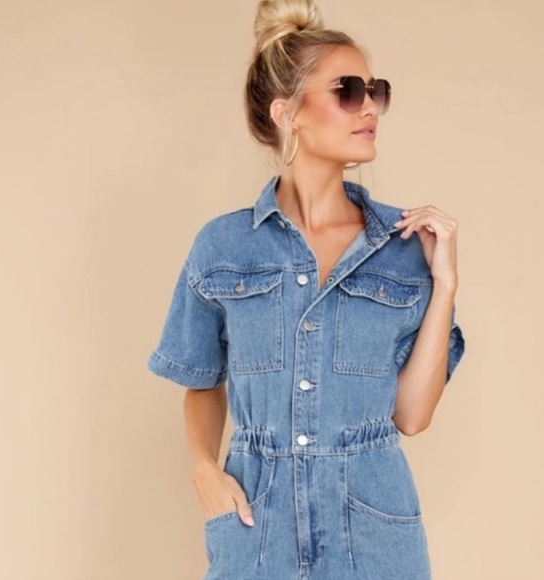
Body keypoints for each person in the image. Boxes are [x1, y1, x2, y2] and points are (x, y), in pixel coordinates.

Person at [147, 0, 466, 578]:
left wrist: (444, 284)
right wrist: (204, 469)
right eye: (348, 90)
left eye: (375, 91)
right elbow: (201, 381)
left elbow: (412, 416)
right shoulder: (223, 247)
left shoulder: (403, 248)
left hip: (374, 533)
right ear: (287, 112)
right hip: (256, 527)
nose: (368, 107)